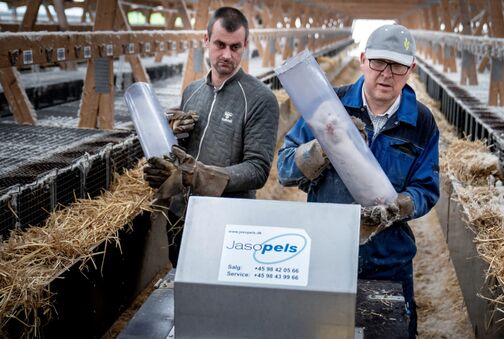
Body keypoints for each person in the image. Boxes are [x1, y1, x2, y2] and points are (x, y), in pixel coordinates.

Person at [277, 24, 439, 338]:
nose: (386, 74)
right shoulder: (329, 107)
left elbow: (427, 188)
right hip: (327, 254)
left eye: (398, 66)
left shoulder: (421, 122)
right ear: (363, 59)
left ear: (412, 70)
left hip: (388, 261)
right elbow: (284, 169)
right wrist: (324, 146)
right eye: (378, 62)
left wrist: (400, 206)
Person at [143, 7, 279, 266]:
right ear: (206, 41)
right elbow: (178, 155)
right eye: (219, 44)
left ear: (246, 45)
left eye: (235, 47)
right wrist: (168, 136)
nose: (227, 55)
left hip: (227, 221)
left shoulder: (260, 99)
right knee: (182, 281)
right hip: (181, 216)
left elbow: (257, 170)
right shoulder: (193, 91)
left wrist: (194, 175)